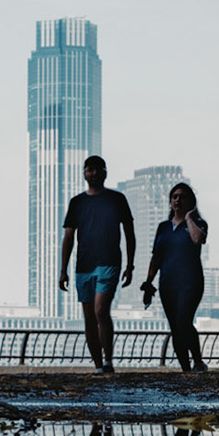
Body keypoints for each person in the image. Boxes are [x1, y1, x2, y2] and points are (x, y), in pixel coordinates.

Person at [59, 155, 136, 373]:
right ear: (84, 173)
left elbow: (129, 233)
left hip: (109, 262)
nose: (93, 173)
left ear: (105, 172)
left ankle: (108, 360)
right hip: (83, 265)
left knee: (101, 310)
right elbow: (68, 237)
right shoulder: (77, 203)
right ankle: (98, 365)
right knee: (89, 317)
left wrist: (130, 265)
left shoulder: (117, 199)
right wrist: (63, 270)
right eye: (89, 169)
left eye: (97, 169)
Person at [141, 182, 209, 373]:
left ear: (191, 202)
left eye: (182, 197)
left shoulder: (199, 224)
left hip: (191, 282)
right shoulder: (162, 227)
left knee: (183, 321)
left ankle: (198, 361)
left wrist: (189, 218)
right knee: (175, 328)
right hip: (167, 283)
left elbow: (197, 239)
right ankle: (186, 370)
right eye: (174, 196)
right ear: (170, 201)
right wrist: (148, 283)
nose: (178, 200)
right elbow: (156, 257)